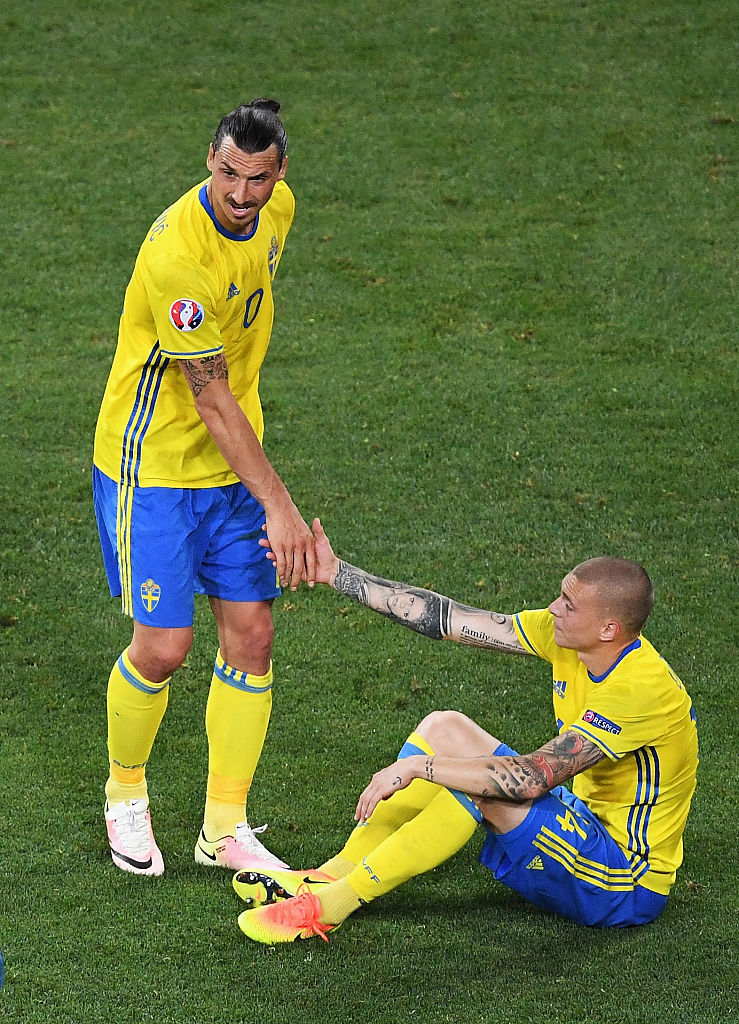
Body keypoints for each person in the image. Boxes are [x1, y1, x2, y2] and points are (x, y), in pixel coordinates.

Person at [234, 518, 698, 942]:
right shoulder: (571, 639)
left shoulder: (640, 691)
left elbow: (531, 777)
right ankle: (328, 876)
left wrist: (420, 767)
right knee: (445, 727)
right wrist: (337, 573)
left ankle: (329, 907)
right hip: (582, 822)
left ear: (608, 629)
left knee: (481, 786)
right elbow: (448, 619)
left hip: (623, 880)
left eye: (569, 605)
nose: (554, 608)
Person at [92, 99, 315, 877]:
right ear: (208, 161)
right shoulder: (178, 258)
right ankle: (125, 794)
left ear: (279, 174)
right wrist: (279, 505)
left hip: (232, 465)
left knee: (252, 637)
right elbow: (210, 397)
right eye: (227, 173)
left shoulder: (278, 210)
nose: (241, 194)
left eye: (257, 178)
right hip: (154, 468)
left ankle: (224, 827)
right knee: (164, 647)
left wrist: (261, 492)